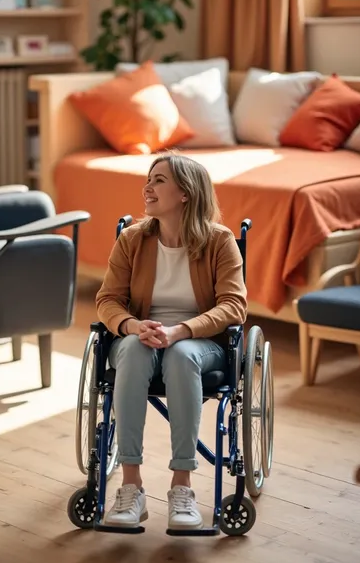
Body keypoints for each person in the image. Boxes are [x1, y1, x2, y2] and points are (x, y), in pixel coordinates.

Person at [96, 153, 247, 531]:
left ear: (185, 193)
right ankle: (132, 486)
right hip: (140, 336)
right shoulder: (132, 239)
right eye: (149, 179)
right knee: (131, 349)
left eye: (159, 180)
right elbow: (107, 300)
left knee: (180, 355)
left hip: (198, 342)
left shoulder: (219, 241)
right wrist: (131, 326)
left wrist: (181, 330)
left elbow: (234, 305)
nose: (147, 187)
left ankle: (182, 487)